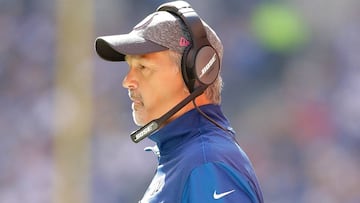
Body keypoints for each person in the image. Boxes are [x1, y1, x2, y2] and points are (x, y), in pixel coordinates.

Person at [95, 1, 264, 202]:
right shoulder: (188, 159)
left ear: (196, 72)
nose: (127, 81)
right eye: (130, 67)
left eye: (143, 67)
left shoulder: (206, 164)